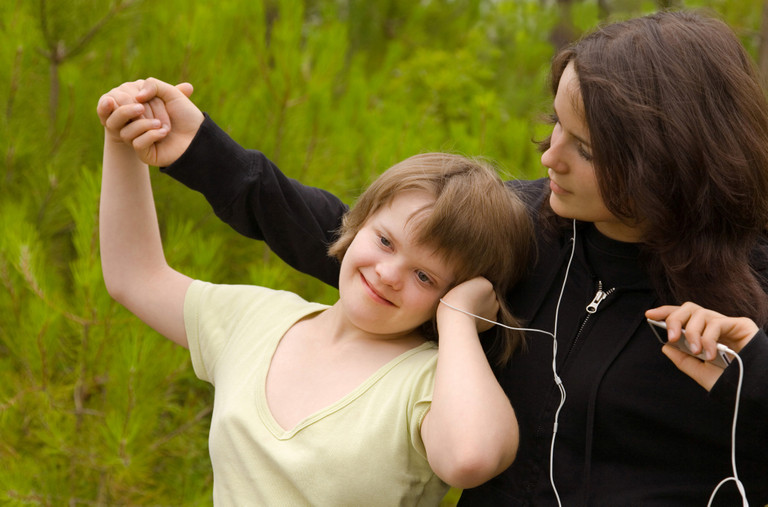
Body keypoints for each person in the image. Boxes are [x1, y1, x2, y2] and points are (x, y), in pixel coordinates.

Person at [99, 9, 768, 506]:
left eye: (584, 148)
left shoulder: (747, 284)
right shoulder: (530, 229)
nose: (549, 154)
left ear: (665, 162)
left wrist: (754, 369)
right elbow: (363, 239)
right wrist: (201, 151)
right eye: (556, 122)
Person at [97, 87, 537, 505]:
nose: (387, 275)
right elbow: (135, 277)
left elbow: (469, 458)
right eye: (385, 241)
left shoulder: (428, 382)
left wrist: (459, 318)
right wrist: (123, 139)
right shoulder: (258, 319)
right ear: (357, 222)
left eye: (424, 276)